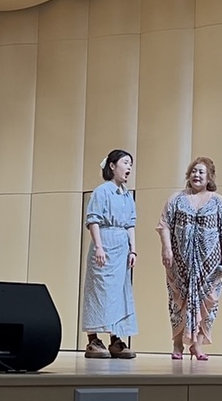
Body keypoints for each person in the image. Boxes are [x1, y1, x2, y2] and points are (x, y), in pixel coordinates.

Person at [156, 157, 222, 361]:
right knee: (178, 303)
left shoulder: (218, 201)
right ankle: (177, 344)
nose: (196, 175)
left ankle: (197, 345)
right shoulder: (176, 199)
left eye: (201, 172)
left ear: (209, 177)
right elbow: (164, 225)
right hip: (179, 263)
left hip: (209, 266)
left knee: (208, 304)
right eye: (193, 171)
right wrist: (166, 249)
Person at [81, 149, 138, 359]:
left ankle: (116, 339)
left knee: (120, 293)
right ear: (112, 166)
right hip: (105, 243)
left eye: (130, 163)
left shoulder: (127, 195)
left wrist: (133, 250)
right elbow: (93, 220)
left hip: (122, 248)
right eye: (125, 162)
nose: (129, 167)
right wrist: (99, 246)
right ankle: (93, 340)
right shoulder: (102, 191)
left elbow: (131, 224)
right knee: (99, 291)